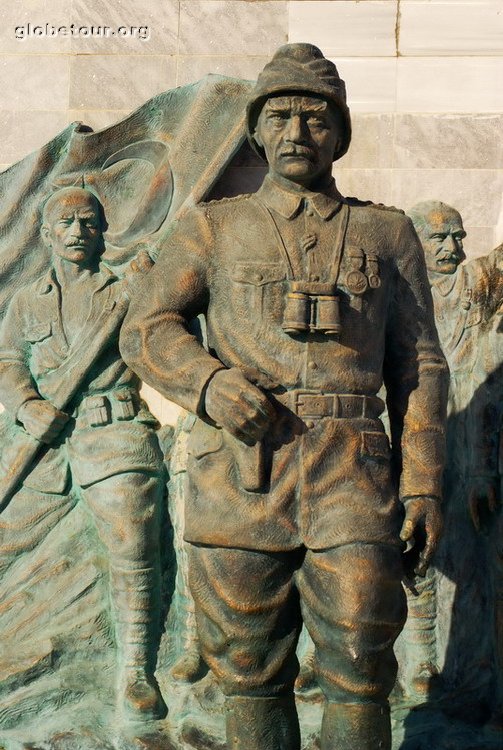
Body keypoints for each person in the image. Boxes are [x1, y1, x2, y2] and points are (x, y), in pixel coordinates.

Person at [120, 44, 448, 750]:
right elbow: (146, 329)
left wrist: (422, 484)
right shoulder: (212, 226)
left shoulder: (385, 232)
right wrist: (208, 384)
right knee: (247, 667)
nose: (296, 135)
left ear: (339, 133)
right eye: (279, 118)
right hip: (242, 470)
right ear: (256, 131)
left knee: (361, 662)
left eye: (314, 119)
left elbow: (418, 362)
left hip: (352, 473)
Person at [0, 186, 166, 722]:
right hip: (43, 450)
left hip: (114, 434)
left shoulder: (128, 288)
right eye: (67, 222)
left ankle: (135, 670)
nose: (78, 231)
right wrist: (26, 406)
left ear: (103, 232)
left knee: (131, 544)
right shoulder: (29, 299)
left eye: (89, 223)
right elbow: (6, 360)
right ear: (46, 233)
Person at [404, 201, 503, 716]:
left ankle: (464, 665)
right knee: (415, 542)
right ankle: (419, 658)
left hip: (468, 432)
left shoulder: (476, 287)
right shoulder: (398, 294)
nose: (452, 248)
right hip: (411, 431)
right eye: (438, 239)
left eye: (458, 237)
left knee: (463, 553)